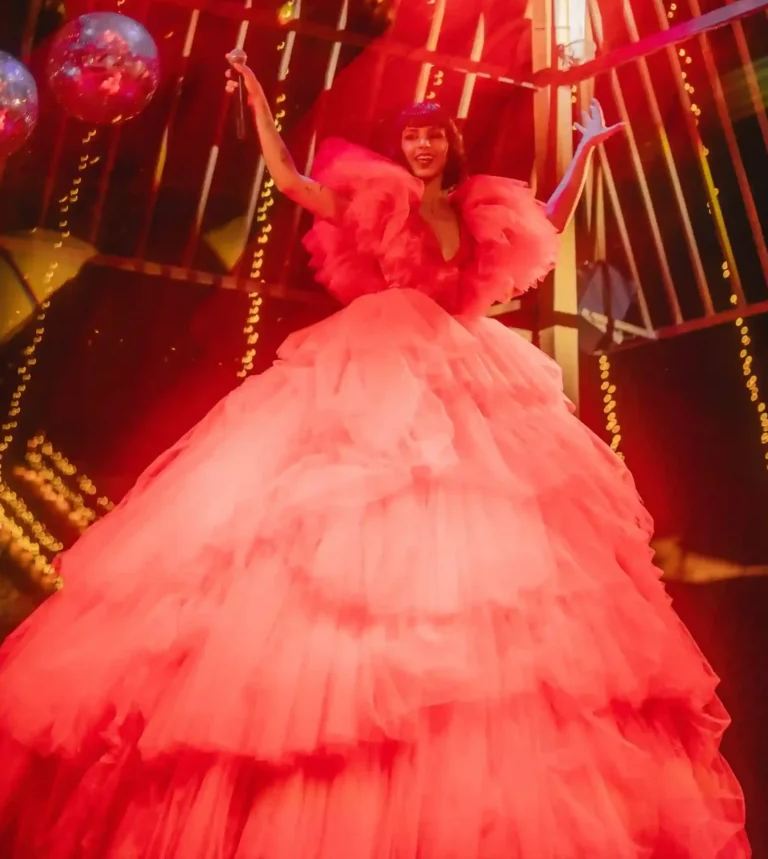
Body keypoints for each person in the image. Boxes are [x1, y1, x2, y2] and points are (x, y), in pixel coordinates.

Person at [0, 50, 749, 858]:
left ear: (452, 144)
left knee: (482, 534)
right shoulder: (379, 202)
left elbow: (545, 226)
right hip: (377, 360)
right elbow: (293, 184)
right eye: (414, 136)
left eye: (435, 136)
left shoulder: (481, 210)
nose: (424, 147)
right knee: (342, 512)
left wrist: (582, 155)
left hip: (463, 368)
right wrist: (256, 97)